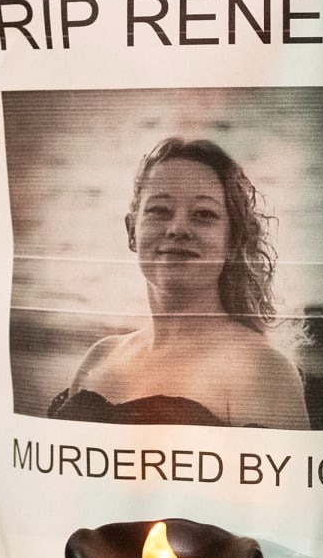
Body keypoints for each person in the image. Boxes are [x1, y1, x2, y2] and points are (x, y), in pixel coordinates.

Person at [48, 137, 309, 429]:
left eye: (203, 215)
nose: (178, 228)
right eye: (160, 210)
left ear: (233, 242)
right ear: (132, 232)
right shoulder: (99, 357)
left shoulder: (263, 370)